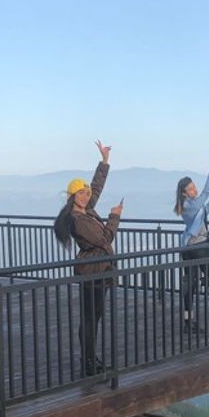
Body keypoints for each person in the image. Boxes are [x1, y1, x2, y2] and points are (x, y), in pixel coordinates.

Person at [53, 140, 124, 376]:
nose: (85, 196)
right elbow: (105, 239)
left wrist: (104, 162)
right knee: (91, 318)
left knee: (94, 317)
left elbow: (96, 186)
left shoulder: (87, 210)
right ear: (73, 195)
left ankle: (91, 359)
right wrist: (114, 216)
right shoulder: (78, 219)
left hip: (98, 271)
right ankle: (89, 362)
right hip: (93, 273)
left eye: (86, 194)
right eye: (80, 193)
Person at [174, 147, 209, 329]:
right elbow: (207, 189)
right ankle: (196, 284)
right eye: (191, 188)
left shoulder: (187, 206)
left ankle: (188, 320)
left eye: (194, 186)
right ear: (185, 193)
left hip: (187, 248)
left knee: (191, 285)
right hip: (199, 247)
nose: (195, 190)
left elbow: (205, 211)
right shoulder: (191, 205)